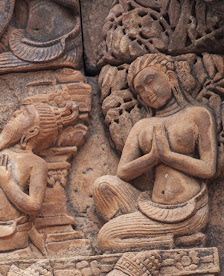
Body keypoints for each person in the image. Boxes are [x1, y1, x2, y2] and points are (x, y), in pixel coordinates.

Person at [93, 53, 218, 251]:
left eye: (151, 81)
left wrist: (168, 156)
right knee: (103, 185)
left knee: (106, 238)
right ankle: (168, 240)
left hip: (188, 209)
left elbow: (208, 168)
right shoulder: (143, 126)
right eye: (140, 90)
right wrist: (152, 158)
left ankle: (171, 241)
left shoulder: (197, 115)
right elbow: (123, 172)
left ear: (170, 76)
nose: (147, 92)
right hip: (151, 205)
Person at [0, 102, 78, 257]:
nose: (15, 114)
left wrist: (7, 183)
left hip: (9, 232)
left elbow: (34, 206)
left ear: (32, 131)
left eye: (23, 114)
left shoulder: (36, 163)